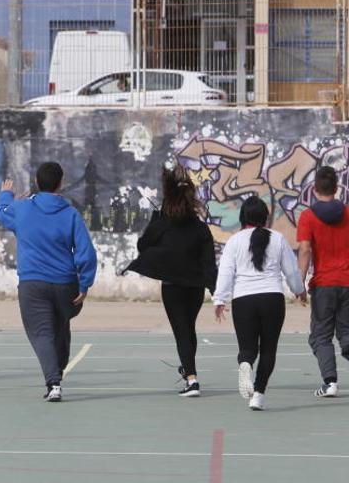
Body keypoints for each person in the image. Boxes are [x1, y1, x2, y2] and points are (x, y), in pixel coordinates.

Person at [0, 162, 97, 402]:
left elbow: (2, 212)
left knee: (42, 333)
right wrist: (85, 284)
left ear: (37, 184)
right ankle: (57, 370)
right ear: (61, 183)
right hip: (65, 284)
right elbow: (86, 252)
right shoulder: (71, 213)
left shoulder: (22, 209)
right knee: (60, 325)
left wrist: (6, 194)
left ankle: (53, 382)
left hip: (32, 284)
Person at [125, 166, 217, 398]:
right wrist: (216, 290)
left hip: (173, 288)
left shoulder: (163, 224)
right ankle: (188, 370)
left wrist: (156, 220)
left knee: (182, 331)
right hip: (195, 288)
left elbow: (143, 245)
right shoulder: (200, 228)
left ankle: (192, 379)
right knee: (188, 329)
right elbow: (209, 262)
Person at [213, 196, 306, 411]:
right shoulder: (278, 239)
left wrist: (220, 299)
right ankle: (258, 395)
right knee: (268, 350)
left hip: (243, 300)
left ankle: (245, 364)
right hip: (272, 298)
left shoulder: (234, 241)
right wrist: (299, 290)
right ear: (266, 217)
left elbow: (226, 272)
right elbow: (291, 271)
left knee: (247, 348)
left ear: (242, 217)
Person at [297, 166, 349, 398]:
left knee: (320, 336)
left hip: (325, 284)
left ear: (315, 190)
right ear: (336, 188)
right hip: (347, 282)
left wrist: (299, 281)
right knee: (346, 335)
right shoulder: (348, 213)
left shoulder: (308, 217)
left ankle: (330, 383)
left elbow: (306, 249)